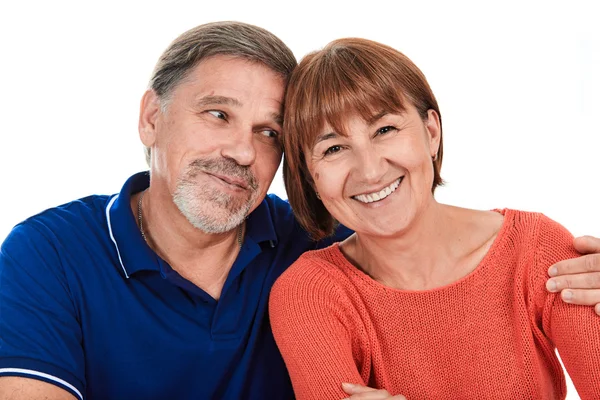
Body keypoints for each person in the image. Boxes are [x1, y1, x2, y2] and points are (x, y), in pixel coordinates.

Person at [0, 22, 598, 400]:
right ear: (151, 118)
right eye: (218, 114)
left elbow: (402, 220)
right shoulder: (46, 254)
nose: (240, 150)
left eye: (267, 132)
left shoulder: (314, 239)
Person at [269, 38, 600, 399]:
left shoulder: (539, 251)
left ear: (431, 133)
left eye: (385, 130)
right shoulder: (309, 294)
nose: (369, 170)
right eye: (333, 149)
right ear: (309, 176)